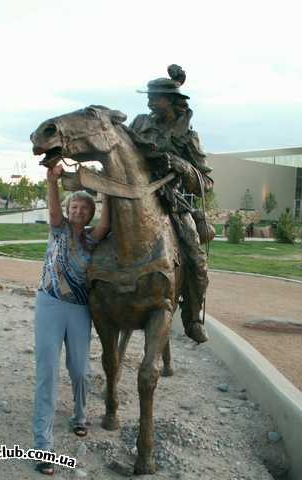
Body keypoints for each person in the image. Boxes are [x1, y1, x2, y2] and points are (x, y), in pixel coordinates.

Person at [33, 163, 110, 475]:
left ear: (90, 213)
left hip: (79, 310)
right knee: (47, 373)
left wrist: (107, 187)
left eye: (83, 207)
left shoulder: (94, 239)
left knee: (80, 371)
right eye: (73, 206)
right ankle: (43, 446)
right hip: (49, 305)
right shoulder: (58, 227)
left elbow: (107, 221)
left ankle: (80, 416)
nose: (78, 210)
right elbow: (53, 209)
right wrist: (52, 180)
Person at [129, 66, 214, 344]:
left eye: (156, 96)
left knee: (197, 262)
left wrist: (183, 167)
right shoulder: (140, 123)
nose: (150, 100)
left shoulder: (188, 136)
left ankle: (191, 318)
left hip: (172, 203)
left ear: (172, 101)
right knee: (96, 238)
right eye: (150, 95)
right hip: (133, 197)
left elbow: (206, 182)